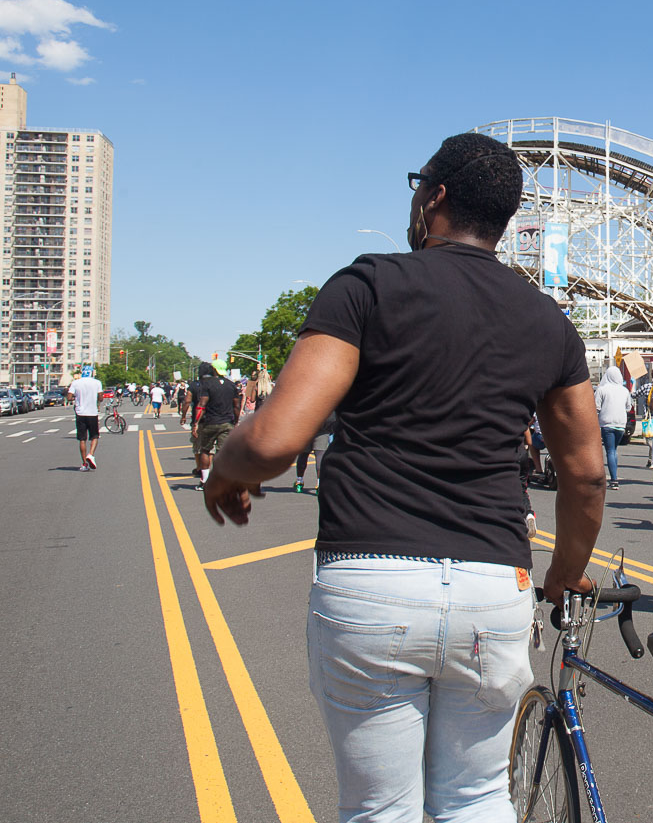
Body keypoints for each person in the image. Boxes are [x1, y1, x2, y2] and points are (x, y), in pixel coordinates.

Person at [201, 131, 605, 823]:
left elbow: (275, 437)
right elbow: (587, 473)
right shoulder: (547, 320)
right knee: (477, 797)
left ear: (434, 195)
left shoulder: (369, 285)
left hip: (371, 581)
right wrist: (565, 570)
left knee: (380, 807)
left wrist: (224, 471)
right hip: (491, 586)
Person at [192, 361, 242, 491]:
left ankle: (204, 481)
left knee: (205, 450)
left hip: (210, 422)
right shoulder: (232, 386)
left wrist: (195, 423)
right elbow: (236, 406)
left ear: (214, 369)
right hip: (227, 423)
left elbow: (202, 405)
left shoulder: (207, 385)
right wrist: (236, 421)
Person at [595, 365, 630, 490]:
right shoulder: (624, 390)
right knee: (614, 450)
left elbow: (596, 407)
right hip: (621, 424)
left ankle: (614, 480)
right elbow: (628, 407)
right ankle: (614, 476)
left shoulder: (602, 389)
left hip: (607, 423)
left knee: (610, 451)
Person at [68, 369, 103, 471]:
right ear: (92, 373)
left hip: (80, 413)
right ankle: (91, 454)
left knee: (82, 439)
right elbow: (100, 398)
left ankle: (84, 464)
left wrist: (77, 396)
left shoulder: (75, 383)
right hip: (92, 413)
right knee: (95, 436)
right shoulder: (97, 383)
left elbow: (69, 397)